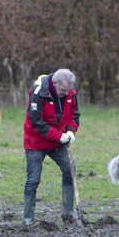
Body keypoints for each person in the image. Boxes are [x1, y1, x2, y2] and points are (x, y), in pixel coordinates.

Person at [22, 68, 81, 226]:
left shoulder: (70, 94)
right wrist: (58, 136)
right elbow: (36, 121)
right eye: (62, 90)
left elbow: (75, 115)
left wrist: (70, 130)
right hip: (36, 142)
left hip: (58, 143)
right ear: (54, 84)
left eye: (67, 90)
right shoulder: (39, 92)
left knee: (70, 169)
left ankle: (68, 213)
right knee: (33, 180)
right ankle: (28, 220)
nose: (65, 93)